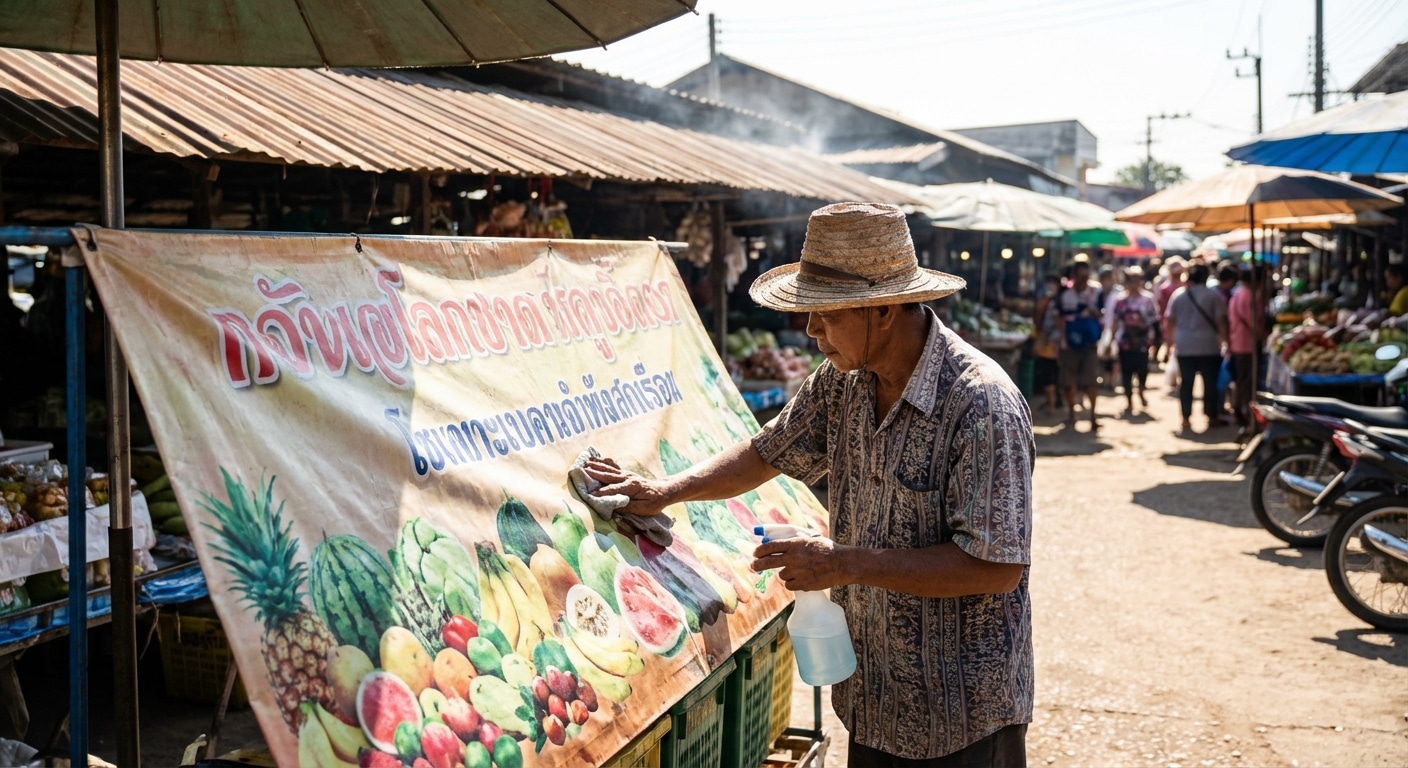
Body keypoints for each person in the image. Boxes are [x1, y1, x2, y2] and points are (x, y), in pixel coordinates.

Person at [584, 202, 1033, 768]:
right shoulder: (842, 383)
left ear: (884, 309)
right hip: (875, 703)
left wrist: (842, 563)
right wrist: (666, 491)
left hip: (963, 718)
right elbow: (767, 451)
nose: (812, 330)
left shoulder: (981, 404)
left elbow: (996, 567)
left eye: (825, 313)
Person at [1166, 262, 1229, 433]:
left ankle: (1186, 418)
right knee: (1210, 383)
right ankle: (1211, 416)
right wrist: (1226, 342)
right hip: (1209, 346)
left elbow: (1170, 321)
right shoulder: (1213, 296)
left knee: (1186, 384)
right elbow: (1222, 321)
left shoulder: (1178, 296)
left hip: (1184, 346)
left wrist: (1169, 344)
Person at [1057, 259, 1103, 433]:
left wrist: (1092, 311)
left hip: (1089, 342)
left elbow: (1101, 313)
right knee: (1068, 380)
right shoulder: (1065, 294)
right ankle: (1071, 413)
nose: (1083, 279)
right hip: (1068, 343)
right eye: (1080, 275)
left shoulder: (1096, 292)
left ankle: (1093, 415)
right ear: (1074, 276)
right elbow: (1059, 317)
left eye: (1086, 275)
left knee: (1091, 380)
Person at [1111, 266, 1158, 415]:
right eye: (1131, 281)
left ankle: (1141, 390)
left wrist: (1146, 328)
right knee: (1126, 372)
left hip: (1142, 341)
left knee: (1143, 369)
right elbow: (1116, 320)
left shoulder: (1148, 299)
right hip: (1125, 341)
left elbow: (1154, 319)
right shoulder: (1120, 300)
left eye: (1136, 281)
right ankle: (1129, 400)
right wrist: (1111, 338)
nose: (1134, 284)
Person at [1227, 266, 1265, 432]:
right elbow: (1253, 322)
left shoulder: (1238, 294)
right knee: (1247, 382)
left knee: (1242, 380)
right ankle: (1247, 416)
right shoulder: (1249, 296)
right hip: (1247, 344)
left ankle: (1241, 411)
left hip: (1238, 342)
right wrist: (1263, 337)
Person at [1032, 273, 1064, 416]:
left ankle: (1051, 405)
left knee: (1049, 373)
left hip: (1051, 343)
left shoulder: (1056, 303)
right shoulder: (1049, 301)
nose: (1050, 286)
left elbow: (1056, 323)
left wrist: (1046, 339)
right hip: (1051, 342)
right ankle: (1053, 402)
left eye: (1052, 283)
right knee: (1052, 373)